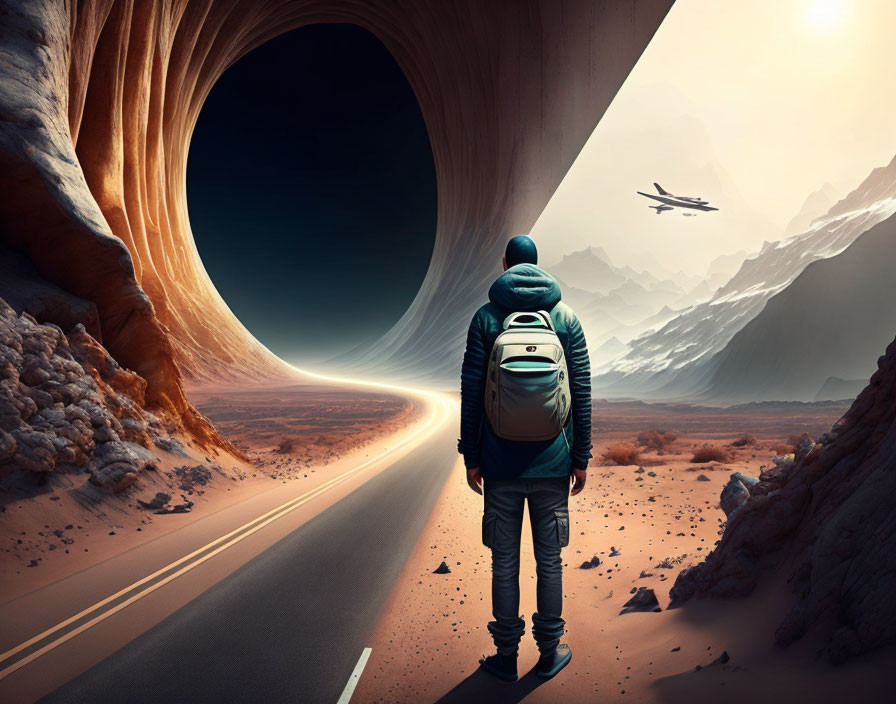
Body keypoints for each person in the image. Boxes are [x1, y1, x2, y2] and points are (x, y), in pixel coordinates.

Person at [458, 234, 592, 681]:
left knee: (505, 563)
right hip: (554, 464)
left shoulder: (486, 319)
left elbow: (472, 394)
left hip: (499, 464)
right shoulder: (565, 319)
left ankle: (506, 657)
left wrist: (471, 456)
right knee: (549, 562)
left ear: (505, 265)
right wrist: (581, 457)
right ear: (537, 266)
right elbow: (583, 394)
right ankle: (550, 653)